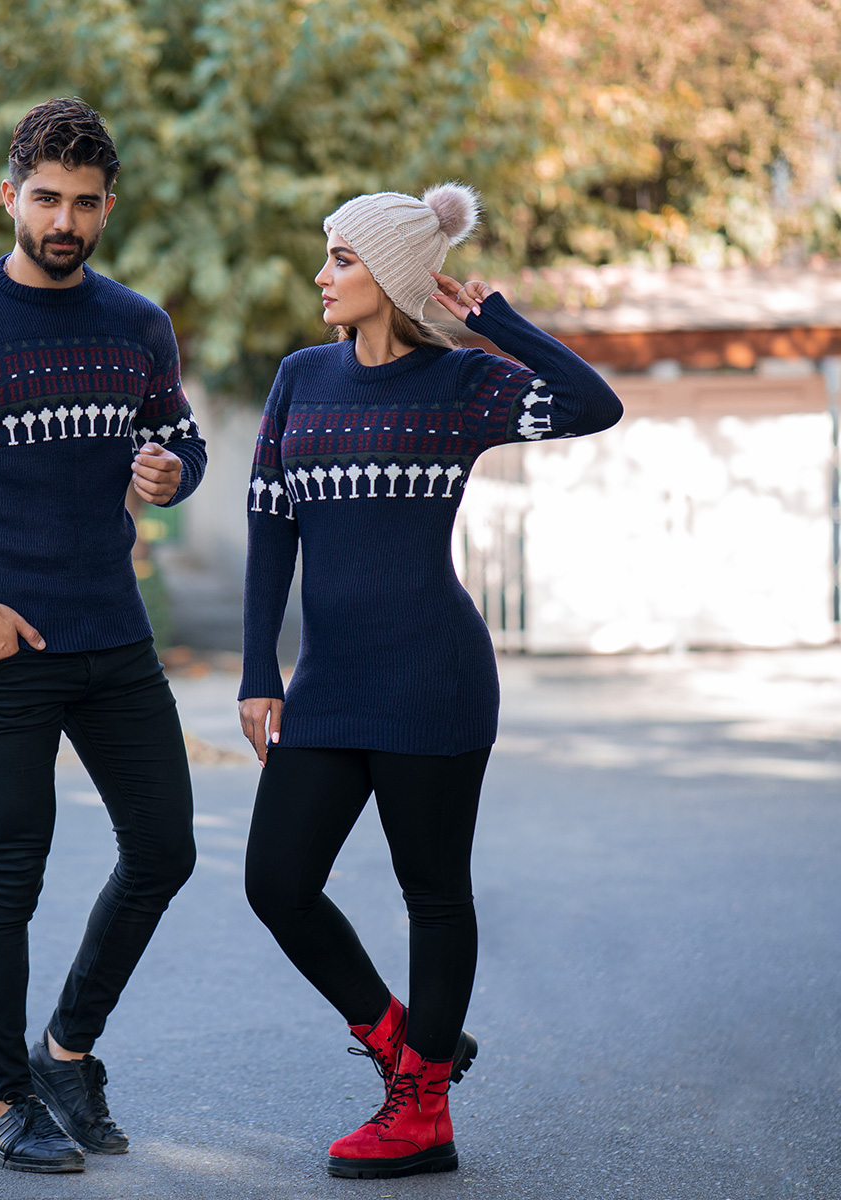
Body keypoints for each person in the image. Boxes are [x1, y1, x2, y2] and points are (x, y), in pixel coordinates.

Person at [238, 182, 622, 1178]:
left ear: (394, 275)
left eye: (343, 259)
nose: (322, 276)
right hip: (328, 683)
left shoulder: (462, 383)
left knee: (434, 895)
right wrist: (257, 670)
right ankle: (412, 1044)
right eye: (328, 256)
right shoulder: (300, 378)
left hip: (432, 677)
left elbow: (594, 403)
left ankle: (424, 1112)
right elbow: (271, 524)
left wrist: (497, 321)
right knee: (276, 882)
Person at [0, 97, 205, 1175]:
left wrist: (171, 471)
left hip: (115, 637)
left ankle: (64, 1052)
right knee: (11, 873)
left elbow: (180, 443)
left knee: (165, 850)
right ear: (10, 195)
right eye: (47, 199)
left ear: (109, 207)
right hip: (6, 644)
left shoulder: (138, 324)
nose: (65, 221)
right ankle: (5, 1101)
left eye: (85, 203)